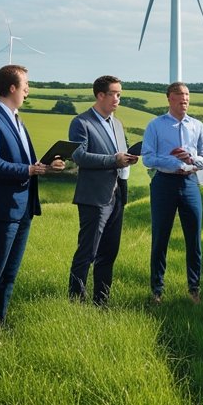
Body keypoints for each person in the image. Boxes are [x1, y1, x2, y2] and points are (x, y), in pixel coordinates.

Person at [0, 64, 64, 328]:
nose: (28, 89)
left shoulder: (17, 119)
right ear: (11, 87)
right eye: (25, 84)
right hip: (2, 208)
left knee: (9, 275)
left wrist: (46, 166)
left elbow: (25, 162)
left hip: (24, 207)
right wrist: (29, 169)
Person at [67, 75, 139, 306]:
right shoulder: (81, 123)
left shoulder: (117, 124)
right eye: (114, 94)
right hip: (95, 197)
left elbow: (120, 154)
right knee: (88, 252)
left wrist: (128, 158)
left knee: (109, 252)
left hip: (118, 194)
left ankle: (101, 301)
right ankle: (76, 300)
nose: (118, 99)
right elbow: (79, 156)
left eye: (120, 94)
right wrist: (113, 160)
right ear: (100, 95)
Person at [141, 81, 203, 304]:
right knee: (160, 237)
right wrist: (174, 161)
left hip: (190, 183)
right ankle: (157, 291)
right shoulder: (155, 125)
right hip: (164, 184)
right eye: (180, 95)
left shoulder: (198, 126)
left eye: (188, 95)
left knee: (194, 239)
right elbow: (148, 157)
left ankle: (194, 289)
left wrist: (190, 160)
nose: (185, 99)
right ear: (169, 98)